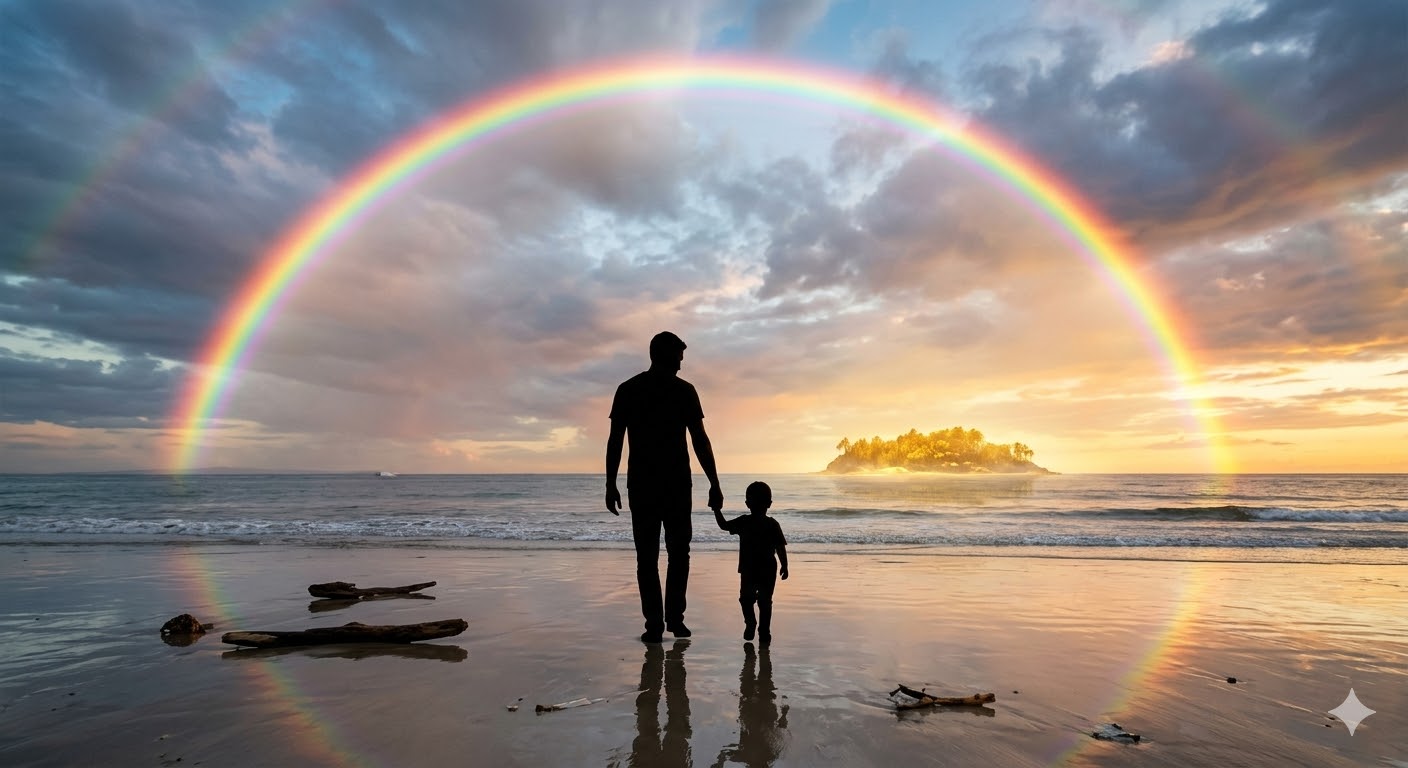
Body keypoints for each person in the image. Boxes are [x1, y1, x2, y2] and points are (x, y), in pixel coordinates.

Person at [606, 331, 723, 644]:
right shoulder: (678, 391)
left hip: (648, 485)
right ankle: (668, 621)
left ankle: (660, 623)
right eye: (679, 355)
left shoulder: (630, 389)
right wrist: (714, 482)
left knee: (652, 557)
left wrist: (611, 482)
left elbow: (616, 440)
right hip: (669, 485)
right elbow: (699, 439)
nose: (682, 362)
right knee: (675, 554)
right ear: (665, 354)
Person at [713, 481, 788, 646]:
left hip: (754, 568)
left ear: (747, 503)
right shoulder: (767, 523)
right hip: (763, 567)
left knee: (752, 600)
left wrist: (716, 509)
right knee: (762, 601)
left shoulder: (750, 522)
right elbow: (780, 547)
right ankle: (757, 627)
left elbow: (723, 525)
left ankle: (758, 627)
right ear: (769, 503)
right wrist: (784, 565)